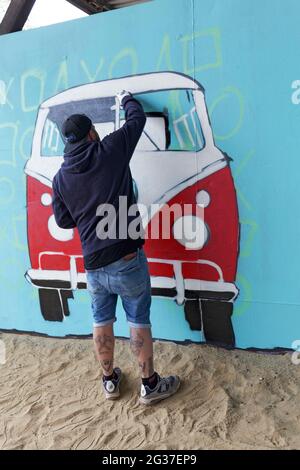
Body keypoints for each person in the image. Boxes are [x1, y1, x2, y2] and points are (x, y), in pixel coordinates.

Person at [52, 91, 180, 405]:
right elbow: (136, 121)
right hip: (126, 258)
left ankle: (109, 380)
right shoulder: (109, 149)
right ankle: (149, 385)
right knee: (138, 320)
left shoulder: (60, 178)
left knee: (101, 321)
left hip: (93, 265)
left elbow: (64, 220)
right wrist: (127, 101)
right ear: (92, 133)